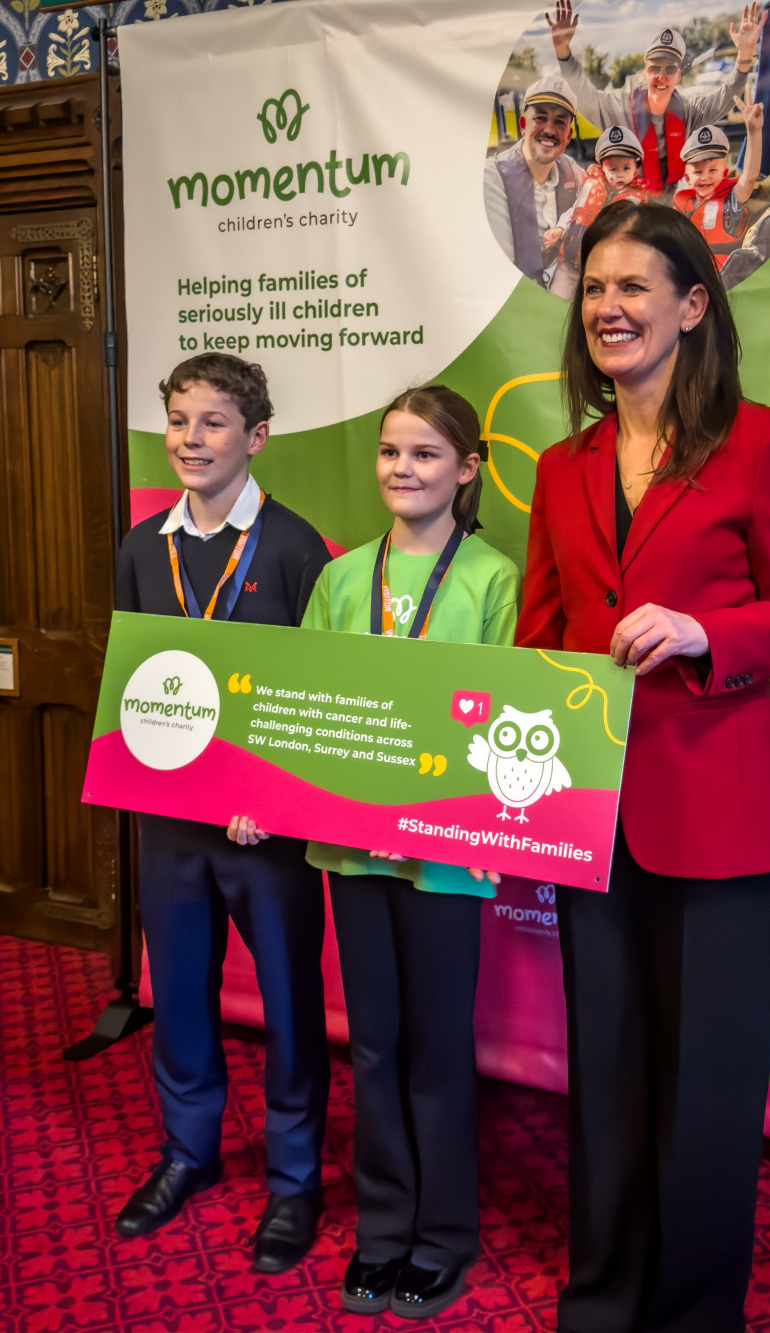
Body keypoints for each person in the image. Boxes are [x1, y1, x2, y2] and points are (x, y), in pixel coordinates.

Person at [515, 200, 770, 1333]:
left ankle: (695, 1315)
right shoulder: (562, 468)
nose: (607, 307)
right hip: (589, 821)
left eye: (633, 287)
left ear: (692, 305)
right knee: (602, 1075)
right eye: (593, 289)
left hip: (719, 818)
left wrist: (709, 635)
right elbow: (536, 642)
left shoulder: (764, 441)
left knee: (704, 1091)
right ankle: (603, 1298)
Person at [299, 386, 518, 1320]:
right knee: (377, 1045)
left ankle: (442, 1238)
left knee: (437, 1049)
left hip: (448, 857)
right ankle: (382, 1230)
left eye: (426, 454)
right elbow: (305, 705)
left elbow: (511, 715)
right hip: (351, 852)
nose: (402, 468)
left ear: (466, 470)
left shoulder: (492, 578)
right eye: (391, 451)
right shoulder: (343, 579)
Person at [114, 353, 331, 1276]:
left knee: (287, 998)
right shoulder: (140, 546)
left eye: (211, 422)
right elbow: (129, 683)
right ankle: (188, 1151)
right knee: (180, 998)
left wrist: (269, 797)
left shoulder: (294, 547)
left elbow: (319, 698)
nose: (190, 440)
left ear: (257, 436)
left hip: (264, 831)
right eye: (177, 421)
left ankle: (294, 1176)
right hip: (169, 824)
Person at [546, 1, 767, 194]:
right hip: (634, 202)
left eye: (669, 69)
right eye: (655, 69)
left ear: (678, 76)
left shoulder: (689, 111)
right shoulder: (621, 108)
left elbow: (726, 95)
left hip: (677, 203)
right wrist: (563, 54)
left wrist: (745, 53)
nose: (661, 77)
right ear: (645, 73)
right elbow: (584, 95)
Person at [484, 75, 584, 289]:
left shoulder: (574, 174)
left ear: (568, 136)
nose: (549, 130)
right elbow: (497, 272)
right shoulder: (493, 178)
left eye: (560, 122)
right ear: (523, 125)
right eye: (540, 118)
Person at [547, 125, 649, 293]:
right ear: (602, 167)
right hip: (569, 265)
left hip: (603, 273)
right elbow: (574, 211)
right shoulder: (591, 186)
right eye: (613, 169)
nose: (619, 174)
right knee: (556, 301)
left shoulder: (636, 202)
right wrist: (560, 228)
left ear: (636, 169)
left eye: (626, 168)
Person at [673, 98, 764, 271]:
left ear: (724, 173)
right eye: (698, 172)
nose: (705, 177)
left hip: (723, 276)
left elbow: (750, 177)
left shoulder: (732, 202)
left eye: (712, 171)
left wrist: (754, 131)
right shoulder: (681, 205)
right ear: (687, 178)